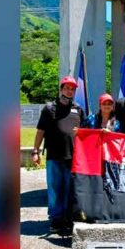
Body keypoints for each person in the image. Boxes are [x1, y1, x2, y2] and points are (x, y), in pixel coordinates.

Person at [32, 76, 85, 234]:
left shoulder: (78, 109)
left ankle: (68, 219)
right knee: (55, 189)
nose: (70, 91)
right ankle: (56, 219)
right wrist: (35, 151)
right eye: (67, 88)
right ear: (61, 89)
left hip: (73, 157)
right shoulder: (49, 108)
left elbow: (83, 133)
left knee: (70, 189)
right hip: (54, 156)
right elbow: (40, 131)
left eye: (73, 89)